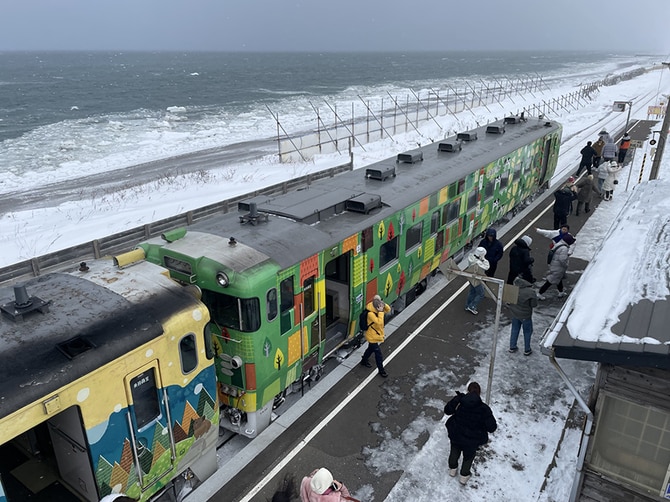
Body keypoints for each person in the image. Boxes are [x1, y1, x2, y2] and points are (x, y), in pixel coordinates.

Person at [444, 382, 497, 486]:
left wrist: (456, 400)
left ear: (468, 390)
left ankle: (452, 469)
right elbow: (492, 428)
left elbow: (447, 411)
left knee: (454, 450)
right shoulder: (484, 409)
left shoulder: (460, 401)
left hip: (457, 434)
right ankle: (464, 476)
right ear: (479, 393)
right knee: (468, 457)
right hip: (472, 439)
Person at [360, 294, 391, 377]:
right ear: (377, 307)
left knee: (370, 349)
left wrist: (384, 304)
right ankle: (381, 370)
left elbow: (388, 310)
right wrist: (381, 311)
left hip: (375, 334)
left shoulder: (377, 309)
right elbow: (379, 322)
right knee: (378, 354)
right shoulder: (371, 314)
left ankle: (364, 360)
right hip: (372, 336)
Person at [537, 233, 576, 300]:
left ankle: (561, 292)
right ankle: (540, 293)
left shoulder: (559, 244)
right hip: (558, 267)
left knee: (559, 279)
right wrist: (566, 265)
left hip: (554, 265)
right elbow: (562, 259)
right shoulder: (564, 248)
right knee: (550, 281)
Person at [507, 276, 538, 356]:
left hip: (515, 314)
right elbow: (534, 305)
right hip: (525, 316)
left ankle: (512, 347)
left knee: (514, 330)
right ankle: (527, 349)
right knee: (527, 332)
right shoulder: (531, 292)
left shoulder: (514, 290)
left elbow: (508, 302)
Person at [464, 247, 490, 315]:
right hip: (477, 279)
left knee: (472, 291)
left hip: (471, 277)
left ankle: (467, 305)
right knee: (481, 294)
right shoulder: (478, 262)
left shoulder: (471, 256)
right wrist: (483, 260)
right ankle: (472, 306)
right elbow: (487, 267)